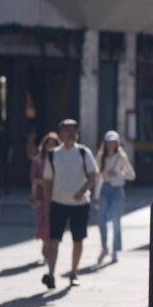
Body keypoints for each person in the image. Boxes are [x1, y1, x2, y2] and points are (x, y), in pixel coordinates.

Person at [42, 119, 99, 289]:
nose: (71, 133)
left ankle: (74, 272)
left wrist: (82, 190)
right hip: (58, 203)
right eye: (67, 130)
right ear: (60, 133)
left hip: (80, 204)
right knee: (54, 239)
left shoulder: (83, 152)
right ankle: (51, 274)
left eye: (74, 130)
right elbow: (47, 182)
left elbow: (94, 175)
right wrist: (46, 205)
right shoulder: (53, 155)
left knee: (78, 239)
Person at [95, 130, 136, 264]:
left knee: (116, 221)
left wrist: (118, 173)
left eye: (113, 142)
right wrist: (95, 196)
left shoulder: (121, 157)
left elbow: (132, 175)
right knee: (101, 220)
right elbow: (97, 178)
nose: (111, 145)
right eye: (109, 142)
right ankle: (104, 247)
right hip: (104, 189)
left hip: (118, 191)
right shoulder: (100, 157)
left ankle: (115, 250)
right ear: (105, 143)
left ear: (117, 143)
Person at [30, 132, 61, 263]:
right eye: (49, 143)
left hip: (56, 195)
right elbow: (33, 179)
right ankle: (45, 242)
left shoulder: (60, 159)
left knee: (52, 221)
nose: (51, 146)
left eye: (54, 144)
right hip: (41, 196)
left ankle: (48, 245)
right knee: (42, 221)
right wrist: (42, 184)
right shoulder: (38, 161)